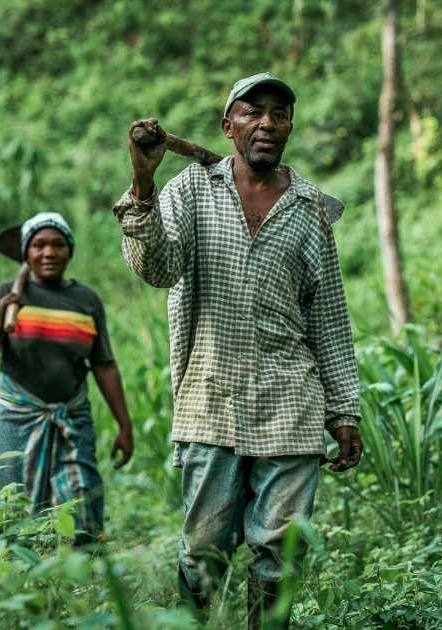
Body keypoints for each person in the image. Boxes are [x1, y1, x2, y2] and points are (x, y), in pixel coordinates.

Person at [112, 73, 363, 628]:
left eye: (279, 113)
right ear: (229, 126)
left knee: (280, 552)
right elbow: (157, 269)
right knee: (204, 551)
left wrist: (344, 411)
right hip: (211, 399)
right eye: (253, 112)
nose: (267, 123)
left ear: (289, 127)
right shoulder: (191, 189)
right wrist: (143, 183)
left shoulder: (310, 208)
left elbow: (328, 317)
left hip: (291, 402)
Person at [0, 212, 133, 545]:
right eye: (39, 245)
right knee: (9, 495)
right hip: (15, 414)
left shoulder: (86, 300)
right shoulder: (7, 294)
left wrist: (125, 426)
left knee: (83, 494)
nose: (49, 252)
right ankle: (12, 564)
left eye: (58, 244)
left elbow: (104, 365)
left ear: (69, 251)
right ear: (26, 253)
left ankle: (84, 565)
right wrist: (1, 319)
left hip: (71, 414)